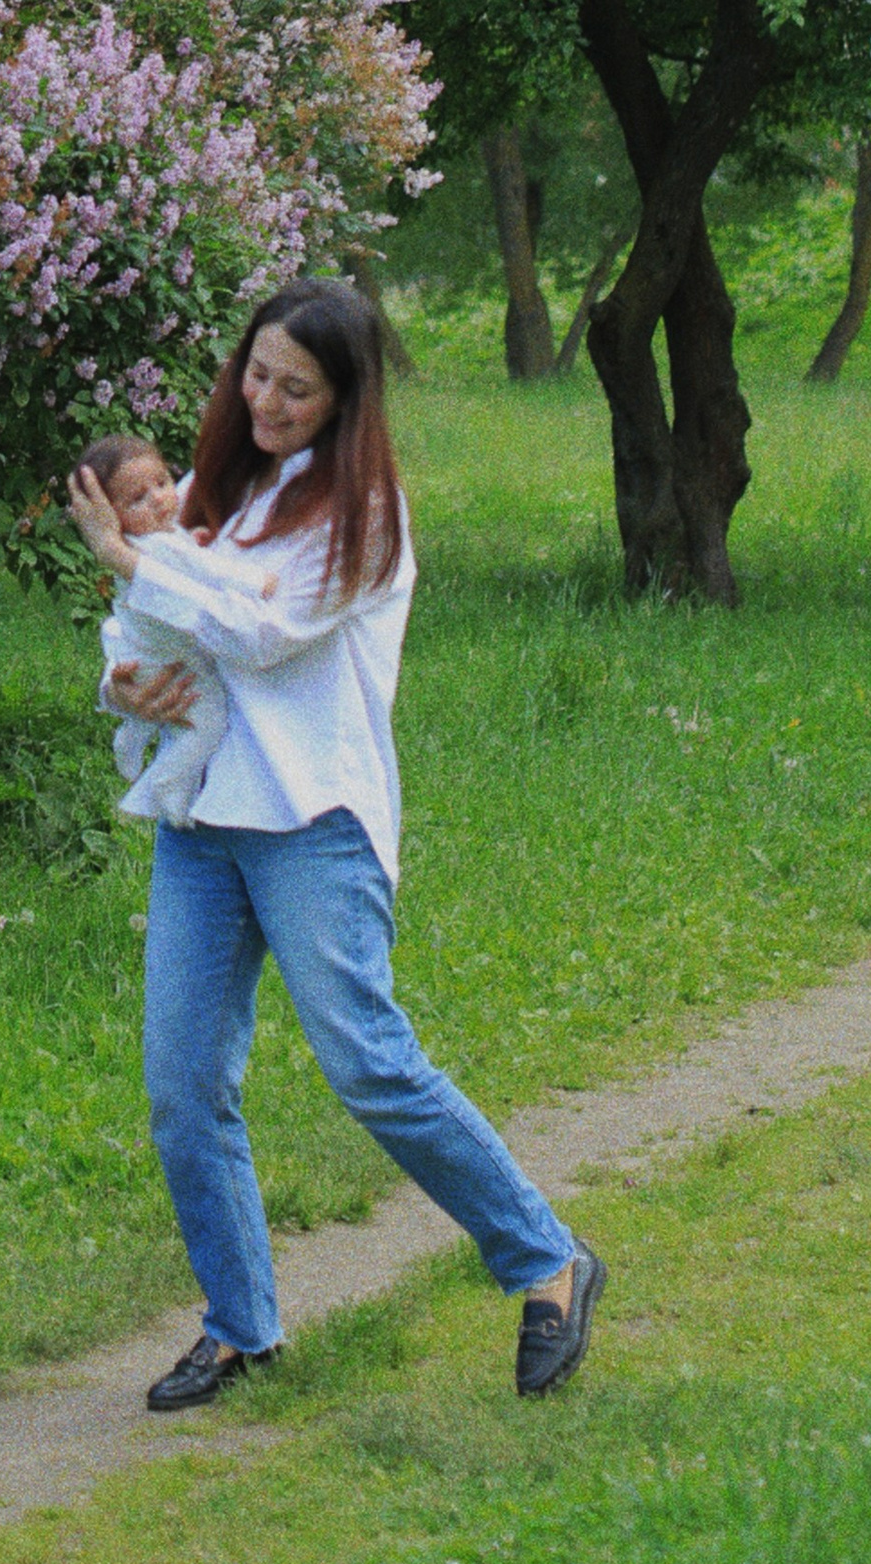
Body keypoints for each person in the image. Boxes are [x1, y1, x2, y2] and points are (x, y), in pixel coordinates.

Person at [65, 276, 604, 1413]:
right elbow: (155, 632)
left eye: (296, 389)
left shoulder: (365, 518)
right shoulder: (219, 492)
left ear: (345, 400)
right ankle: (240, 1326)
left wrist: (127, 558)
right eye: (256, 373)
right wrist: (124, 685)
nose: (266, 400)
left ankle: (544, 1257)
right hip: (205, 826)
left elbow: (257, 635)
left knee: (367, 1062)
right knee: (181, 1087)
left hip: (313, 826)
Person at [78, 428, 278, 826]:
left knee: (159, 709)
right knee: (208, 719)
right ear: (111, 517)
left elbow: (184, 561)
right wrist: (256, 582)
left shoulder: (158, 538)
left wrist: (190, 541)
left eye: (163, 482)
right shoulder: (153, 545)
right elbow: (209, 570)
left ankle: (131, 741)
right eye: (137, 498)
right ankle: (167, 783)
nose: (159, 499)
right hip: (165, 657)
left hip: (146, 654)